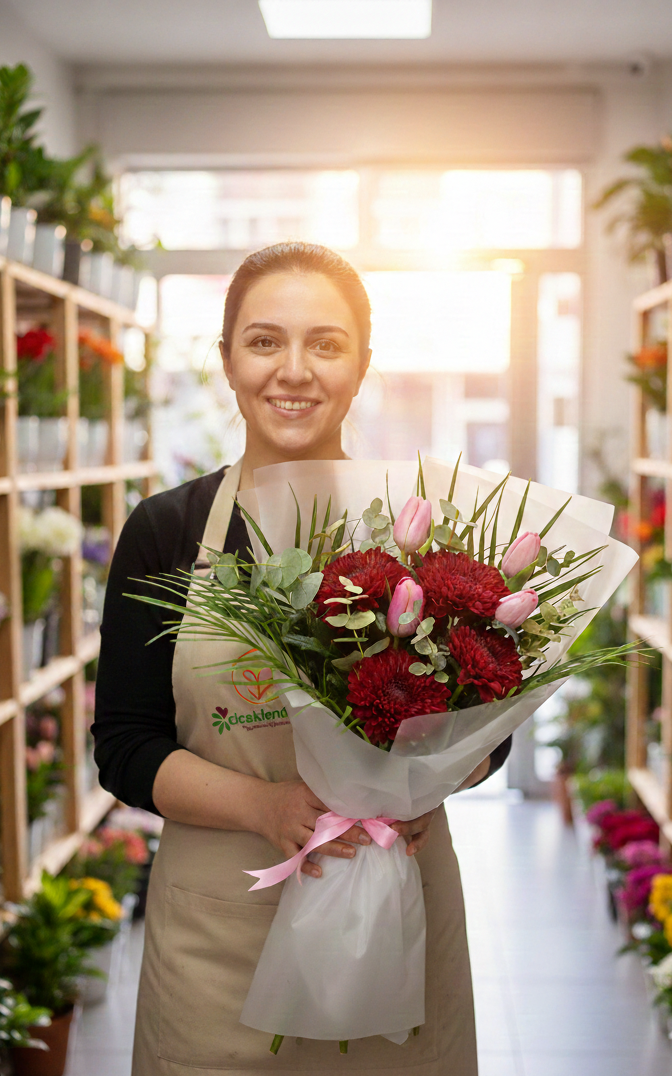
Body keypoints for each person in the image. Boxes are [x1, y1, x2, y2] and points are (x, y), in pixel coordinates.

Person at [94, 241, 511, 1075]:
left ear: (361, 366)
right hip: (221, 936)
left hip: (394, 915)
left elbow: (492, 723)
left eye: (325, 343)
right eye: (263, 341)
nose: (294, 371)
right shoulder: (166, 531)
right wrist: (267, 807)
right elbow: (125, 746)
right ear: (226, 361)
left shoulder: (423, 529)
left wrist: (432, 781)